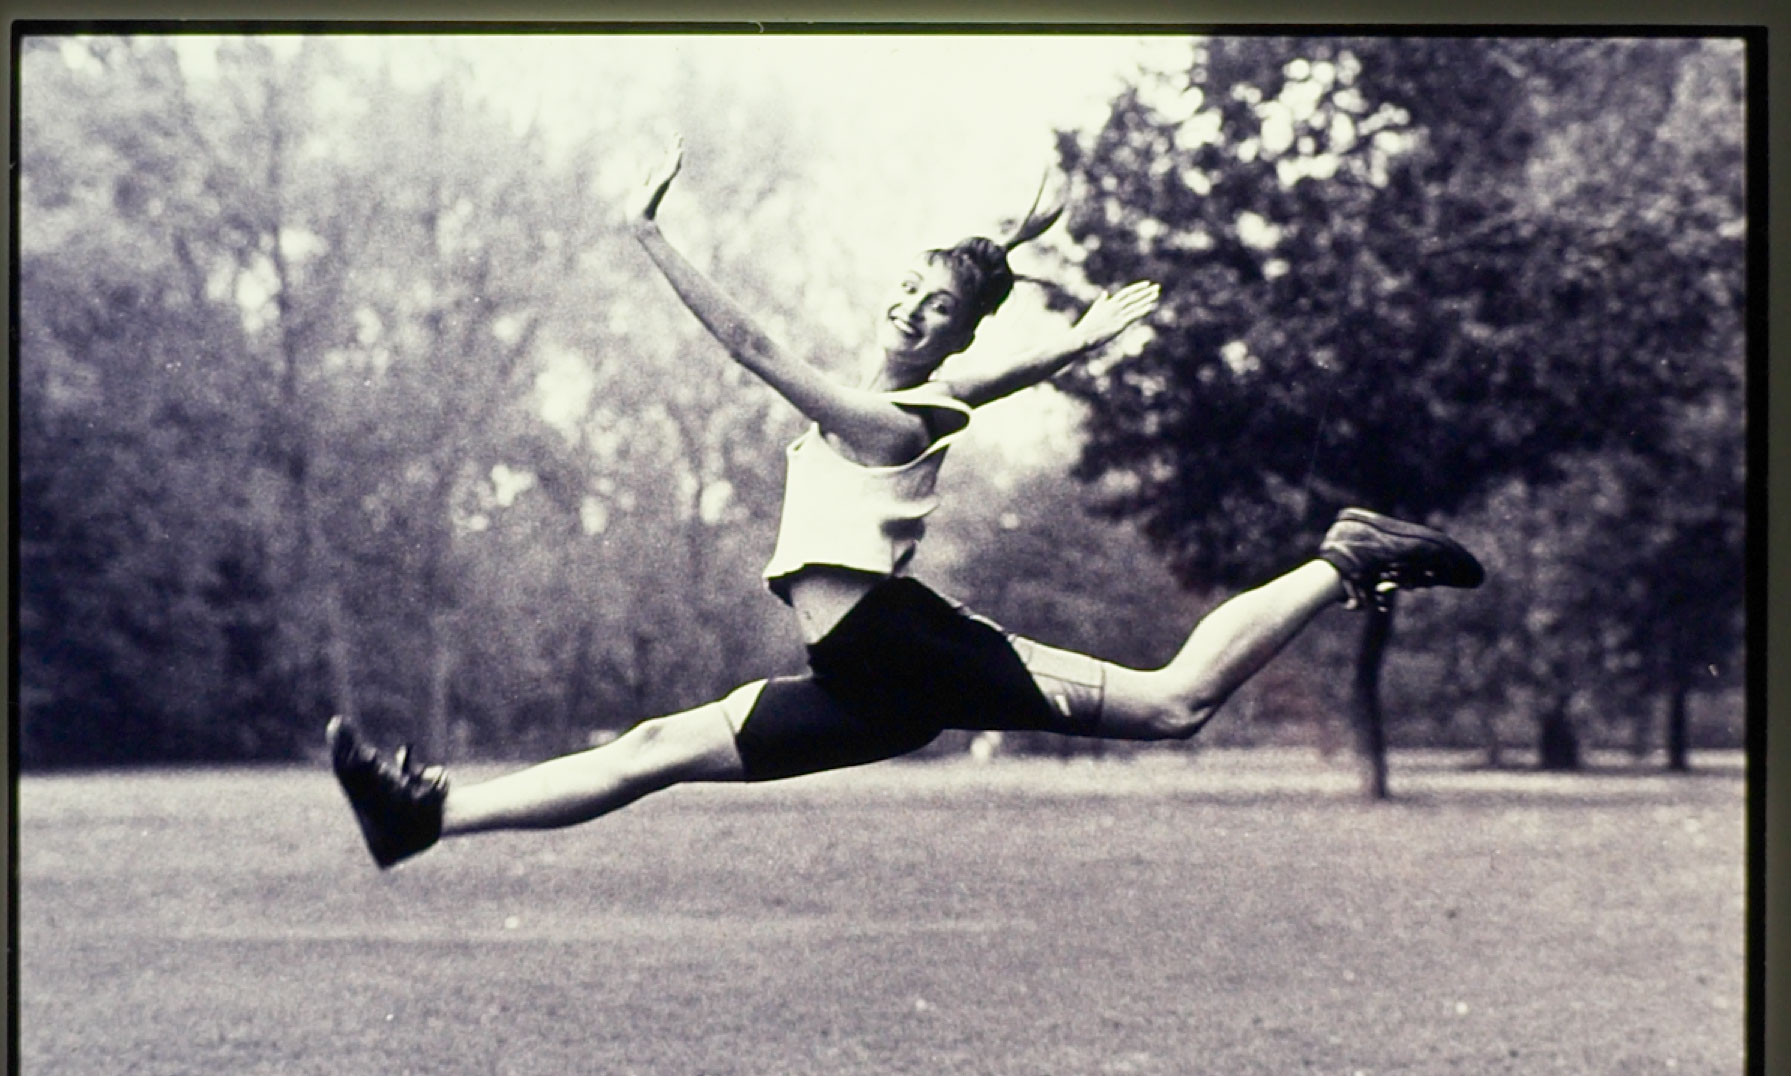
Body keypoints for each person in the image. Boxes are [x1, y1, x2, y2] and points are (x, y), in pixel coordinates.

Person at [327, 135, 1483, 870]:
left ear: (952, 337)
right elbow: (993, 356)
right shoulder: (920, 384)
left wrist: (648, 236)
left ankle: (1345, 555)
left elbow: (749, 342)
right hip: (861, 682)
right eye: (907, 292)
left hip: (903, 648)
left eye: (933, 309)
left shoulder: (881, 419)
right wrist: (1012, 247)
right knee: (653, 748)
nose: (907, 311)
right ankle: (425, 820)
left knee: (1173, 705)